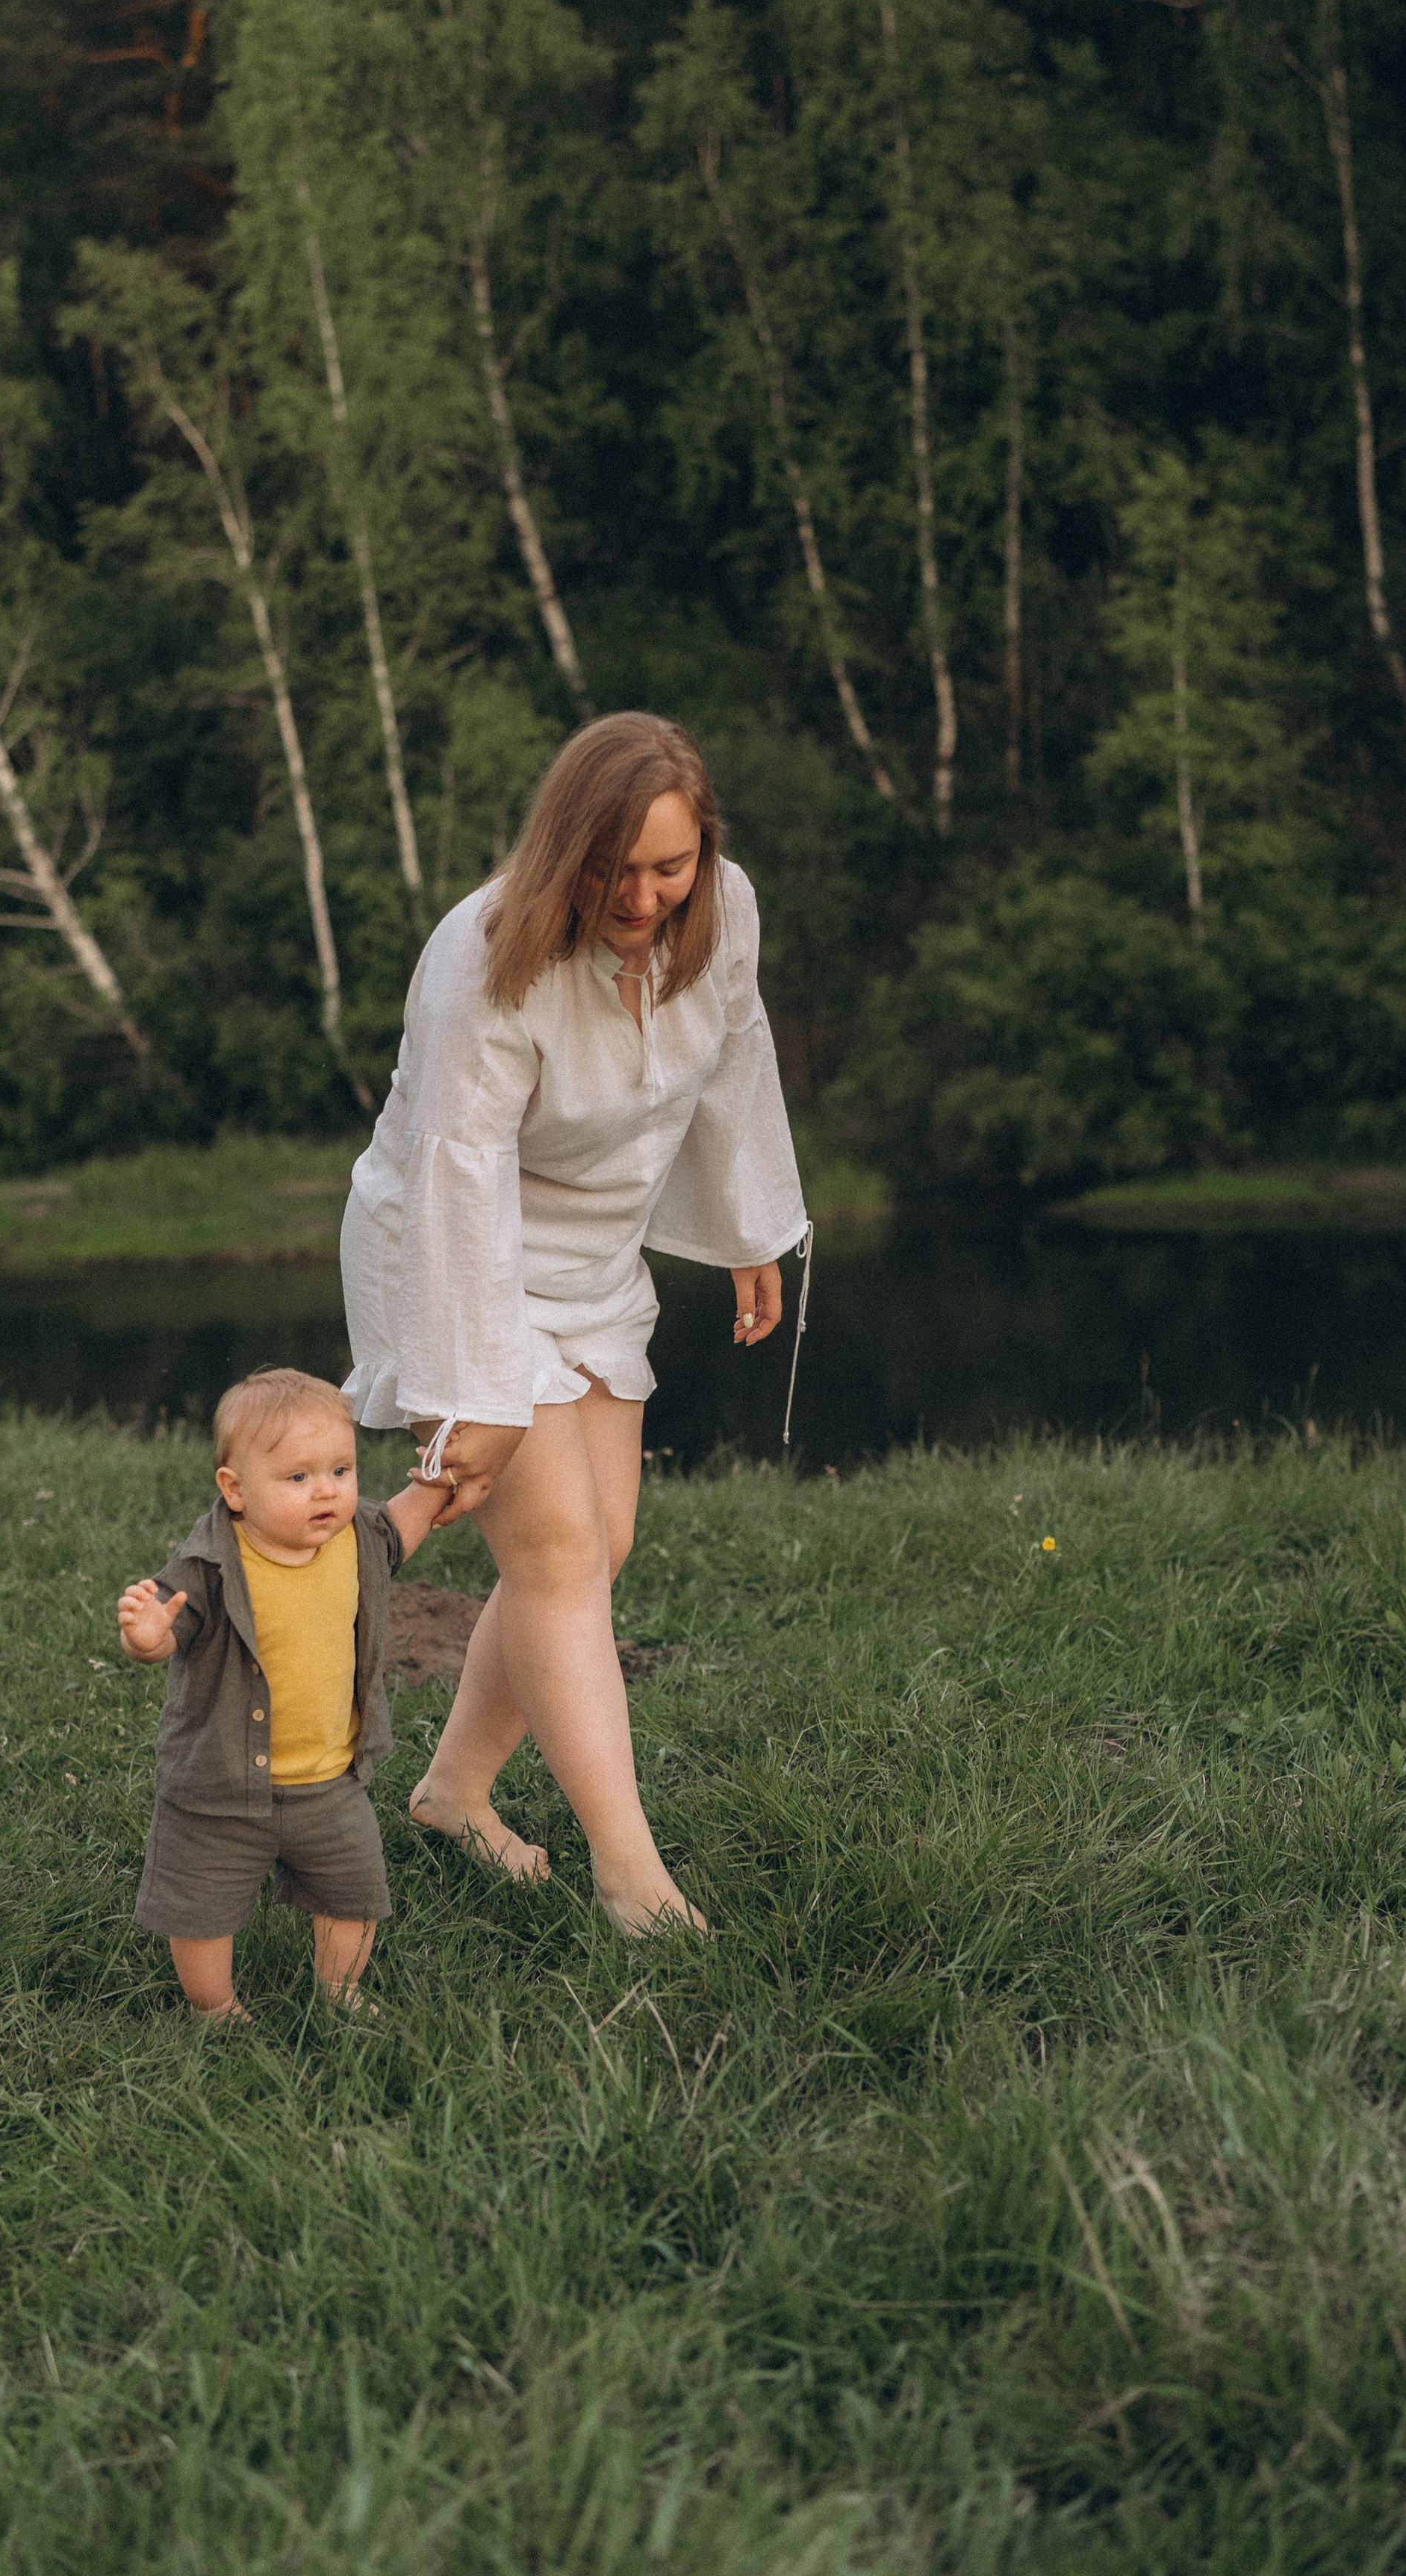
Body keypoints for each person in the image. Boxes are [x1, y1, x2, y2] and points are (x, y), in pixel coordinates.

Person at [341, 712, 809, 1934]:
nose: (645, 897)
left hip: (593, 1254)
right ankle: (628, 1874)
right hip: (455, 1251)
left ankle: (452, 1795)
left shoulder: (723, 908)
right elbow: (454, 1173)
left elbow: (737, 1048)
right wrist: (475, 1394)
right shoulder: (485, 957)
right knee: (550, 1555)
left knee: (600, 1549)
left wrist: (753, 1224)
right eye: (615, 871)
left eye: (671, 866)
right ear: (567, 852)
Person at [113, 1365, 450, 2018]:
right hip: (220, 1787)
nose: (325, 1491)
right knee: (202, 1907)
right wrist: (145, 1635)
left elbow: (408, 1519)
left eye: (341, 1471)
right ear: (235, 1491)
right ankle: (214, 2006)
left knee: (353, 1894)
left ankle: (340, 1988)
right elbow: (168, 1628)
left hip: (329, 1779)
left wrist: (440, 1482)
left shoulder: (358, 1540)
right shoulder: (210, 1563)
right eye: (298, 1478)